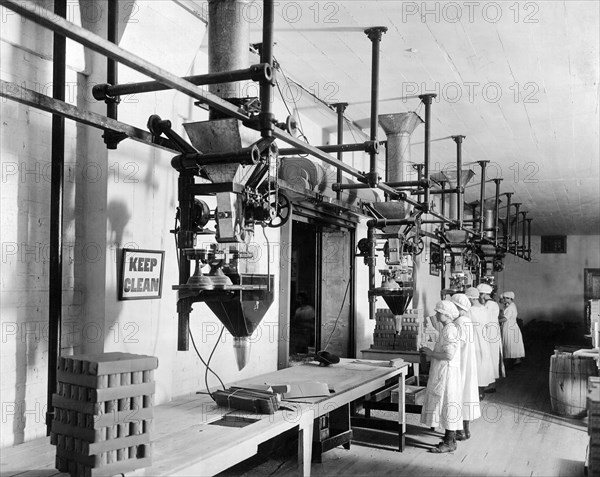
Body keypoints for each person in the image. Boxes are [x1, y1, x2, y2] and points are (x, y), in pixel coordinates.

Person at [420, 300, 463, 453]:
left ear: (446, 314)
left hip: (447, 373)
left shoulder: (449, 330)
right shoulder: (447, 328)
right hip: (445, 371)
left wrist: (431, 353)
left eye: (439, 312)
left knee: (448, 404)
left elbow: (449, 355)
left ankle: (450, 442)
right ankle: (448, 438)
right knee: (446, 404)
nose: (436, 314)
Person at [450, 293, 481, 441]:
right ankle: (466, 430)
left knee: (459, 393)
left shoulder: (460, 322)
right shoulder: (466, 320)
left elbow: (456, 344)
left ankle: (460, 431)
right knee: (467, 392)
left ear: (457, 307)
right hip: (468, 362)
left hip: (461, 362)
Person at [465, 287, 495, 399]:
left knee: (474, 366)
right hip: (484, 341)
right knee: (482, 366)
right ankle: (481, 392)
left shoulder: (470, 311)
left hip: (474, 341)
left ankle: (475, 393)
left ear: (471, 299)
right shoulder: (484, 309)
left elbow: (465, 327)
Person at [477, 283, 505, 391]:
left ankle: (490, 384)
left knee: (491, 357)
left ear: (483, 294)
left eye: (480, 295)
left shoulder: (490, 304)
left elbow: (484, 319)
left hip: (491, 332)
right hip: (491, 331)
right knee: (491, 357)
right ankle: (489, 382)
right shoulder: (491, 303)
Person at [500, 291, 525, 366]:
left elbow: (505, 319)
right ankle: (514, 359)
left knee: (509, 343)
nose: (504, 299)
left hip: (509, 327)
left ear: (510, 298)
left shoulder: (511, 307)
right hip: (510, 326)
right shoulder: (509, 306)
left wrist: (495, 321)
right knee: (512, 343)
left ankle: (510, 360)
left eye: (505, 298)